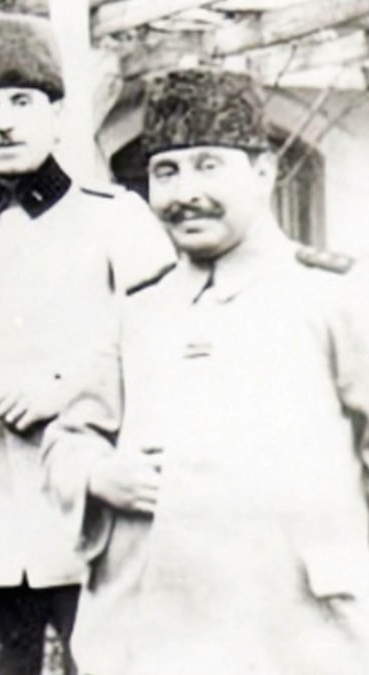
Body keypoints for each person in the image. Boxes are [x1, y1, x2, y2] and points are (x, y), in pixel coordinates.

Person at [42, 67, 369, 674]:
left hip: (294, 632)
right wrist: (99, 474)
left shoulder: (334, 297)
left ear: (264, 172)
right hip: (148, 632)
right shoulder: (136, 310)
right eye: (166, 171)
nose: (184, 191)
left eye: (208, 165)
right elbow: (69, 438)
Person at [0, 13, 175, 675]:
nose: (4, 123)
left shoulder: (117, 219)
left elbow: (164, 344)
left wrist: (64, 389)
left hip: (95, 510)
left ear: (57, 115)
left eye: (23, 102)